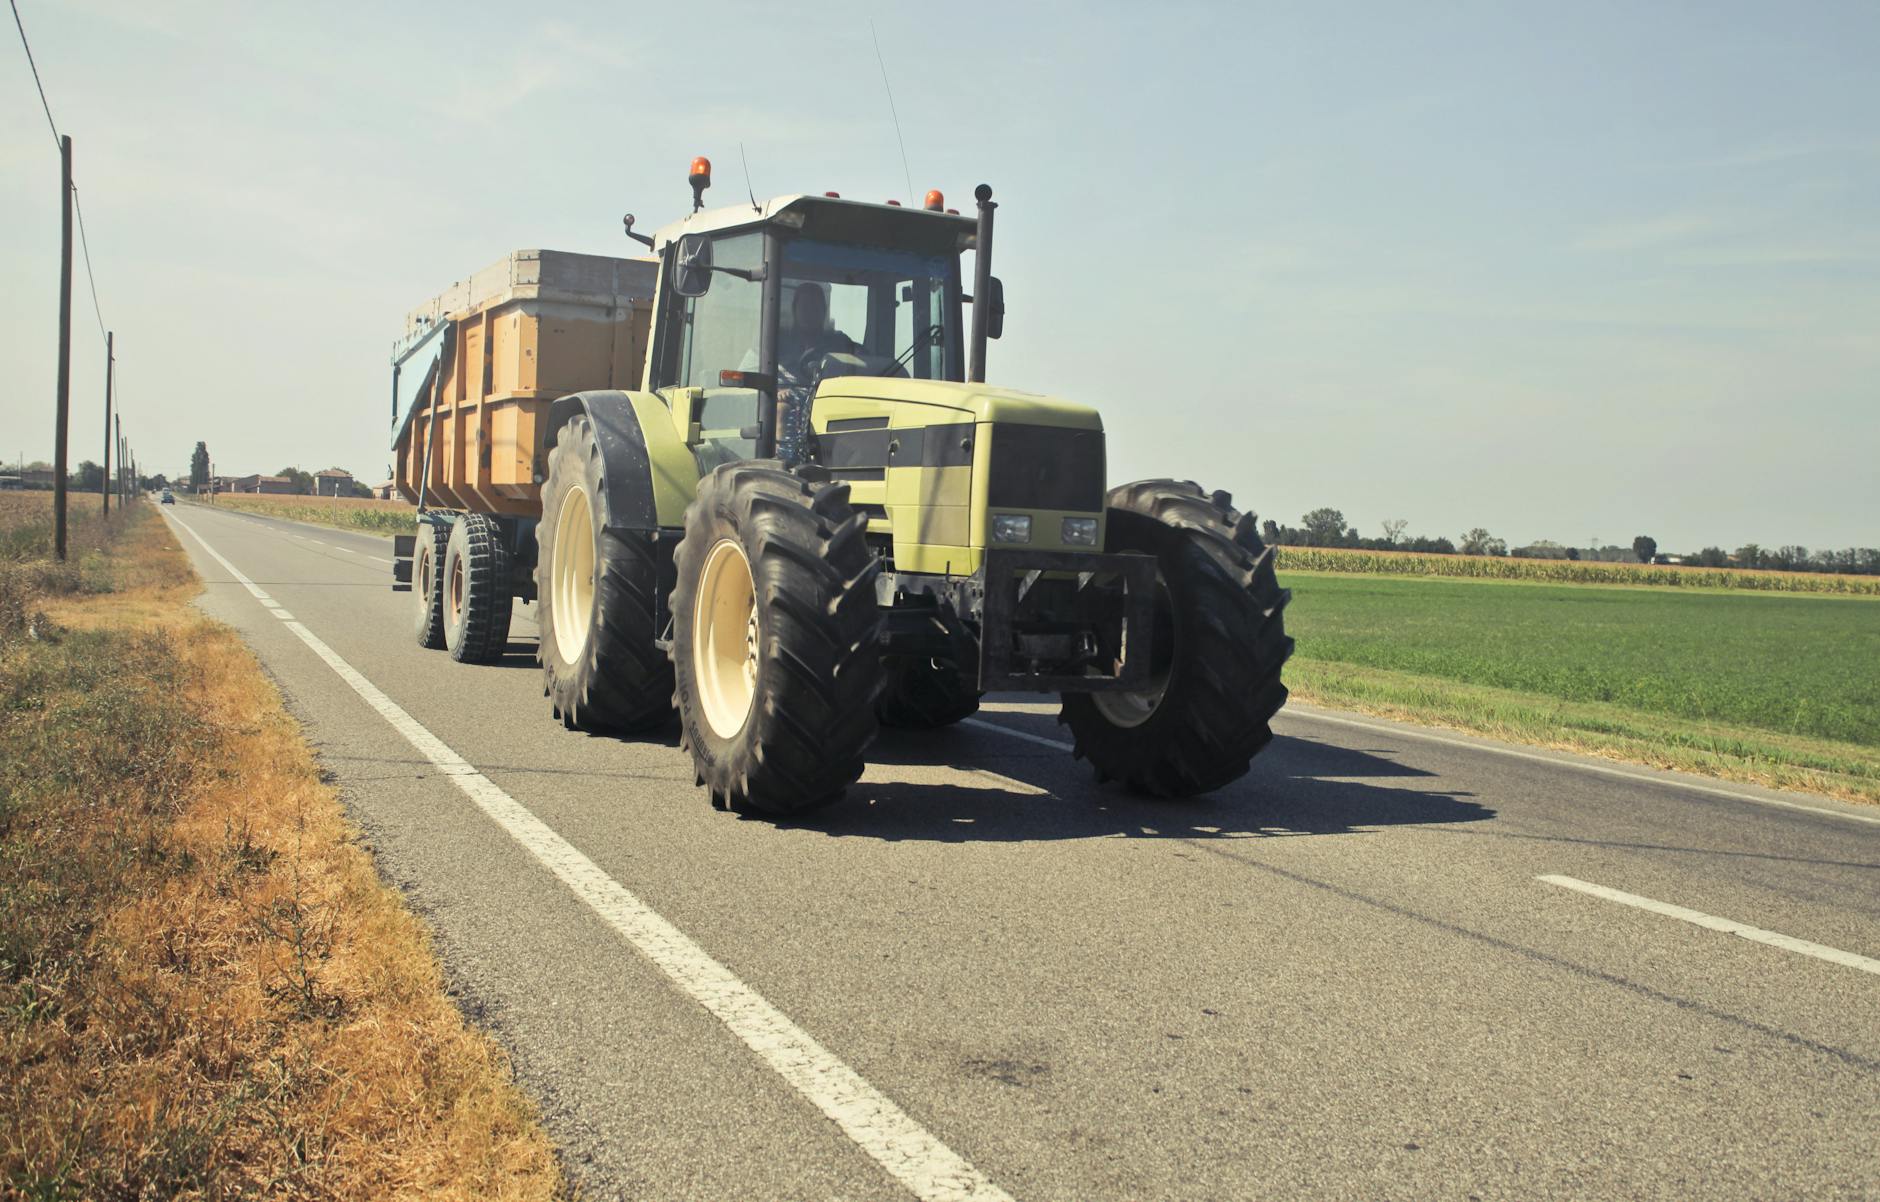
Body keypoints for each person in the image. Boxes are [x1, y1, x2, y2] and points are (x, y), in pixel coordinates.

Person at [780, 283, 856, 371]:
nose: (810, 313)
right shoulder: (779, 345)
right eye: (805, 307)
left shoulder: (840, 344)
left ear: (824, 311)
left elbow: (867, 360)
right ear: (794, 309)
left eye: (815, 308)